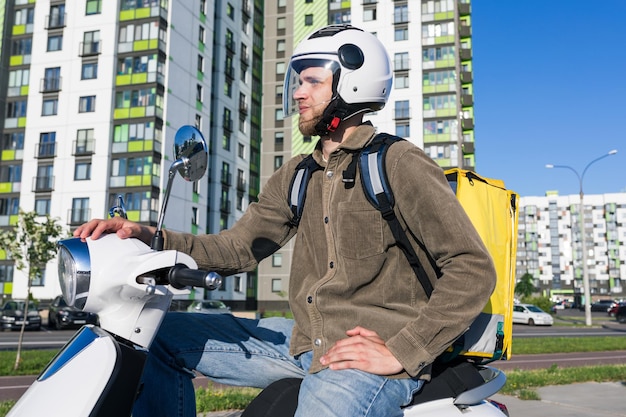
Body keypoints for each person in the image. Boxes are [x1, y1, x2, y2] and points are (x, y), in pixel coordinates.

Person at [75, 24, 496, 417]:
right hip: (304, 342)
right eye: (297, 80)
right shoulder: (298, 175)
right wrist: (151, 235)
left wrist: (403, 351)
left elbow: (471, 268)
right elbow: (236, 248)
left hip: (367, 352)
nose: (298, 92)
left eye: (312, 80)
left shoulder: (399, 163)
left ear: (353, 83)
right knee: (151, 335)